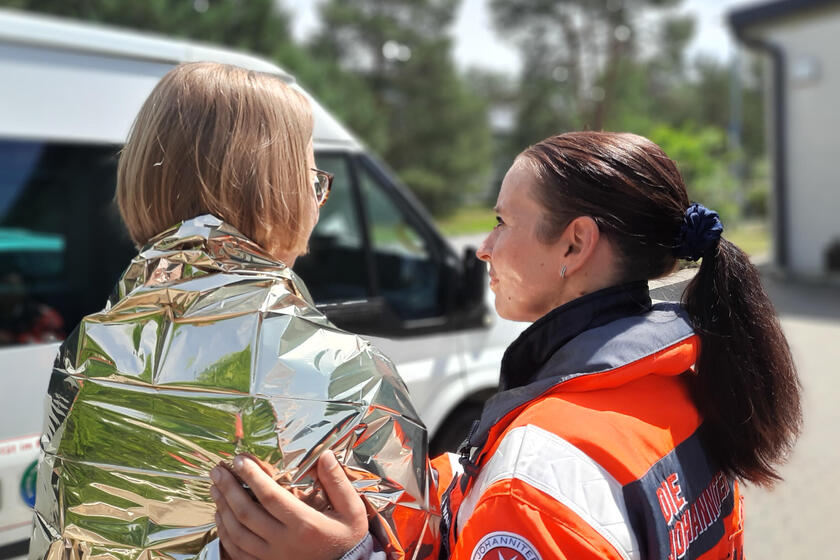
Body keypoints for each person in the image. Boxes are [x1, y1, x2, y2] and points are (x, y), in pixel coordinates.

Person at [211, 131, 802, 560]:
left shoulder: (538, 475)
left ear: (574, 246)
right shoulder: (677, 385)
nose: (482, 247)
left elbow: (539, 490)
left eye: (501, 221)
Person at [30, 62, 436, 560]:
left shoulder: (86, 351)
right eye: (311, 179)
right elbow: (416, 546)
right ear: (277, 195)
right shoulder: (347, 374)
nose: (318, 202)